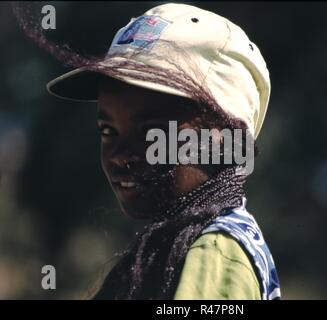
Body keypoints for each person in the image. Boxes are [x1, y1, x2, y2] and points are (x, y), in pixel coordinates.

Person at [44, 3, 281, 300]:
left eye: (149, 133)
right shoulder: (179, 249)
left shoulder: (215, 255)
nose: (119, 155)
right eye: (108, 131)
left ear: (223, 139)